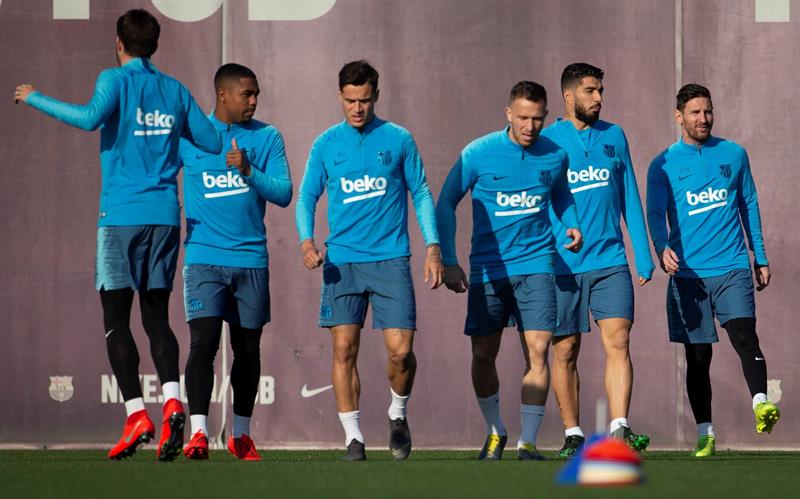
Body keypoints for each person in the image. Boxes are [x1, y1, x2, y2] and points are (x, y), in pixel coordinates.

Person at [14, 9, 221, 461]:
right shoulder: (175, 89)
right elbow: (210, 141)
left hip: (121, 216)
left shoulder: (114, 79)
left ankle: (135, 415)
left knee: (115, 319)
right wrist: (166, 134)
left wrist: (34, 97)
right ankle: (171, 404)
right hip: (164, 217)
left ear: (119, 43)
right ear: (156, 45)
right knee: (156, 318)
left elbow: (90, 119)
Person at [295, 60, 443, 461]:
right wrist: (306, 241)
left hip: (391, 259)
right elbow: (307, 196)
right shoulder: (326, 143)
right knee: (344, 349)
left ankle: (397, 414)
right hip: (342, 262)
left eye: (363, 100)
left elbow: (423, 194)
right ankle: (353, 439)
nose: (357, 108)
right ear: (340, 97)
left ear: (376, 95)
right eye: (349, 100)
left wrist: (433, 246)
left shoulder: (398, 139)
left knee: (400, 351)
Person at [436, 81, 583, 461]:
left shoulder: (555, 155)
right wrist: (449, 259)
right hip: (487, 270)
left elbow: (562, 195)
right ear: (508, 114)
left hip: (536, 265)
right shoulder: (478, 153)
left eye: (537, 119)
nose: (530, 126)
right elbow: (446, 202)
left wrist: (572, 222)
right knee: (483, 354)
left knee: (538, 351)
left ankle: (528, 442)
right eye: (522, 118)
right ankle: (495, 430)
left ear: (547, 116)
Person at [646, 83, 779, 457]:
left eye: (708, 111)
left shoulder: (734, 155)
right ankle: (706, 433)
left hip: (733, 265)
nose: (703, 118)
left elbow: (748, 204)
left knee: (744, 335)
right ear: (679, 117)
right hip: (688, 275)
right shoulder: (663, 165)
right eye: (695, 112)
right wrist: (661, 247)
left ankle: (760, 404)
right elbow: (655, 213)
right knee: (698, 356)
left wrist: (760, 256)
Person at [178, 64, 292, 461]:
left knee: (248, 351)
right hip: (204, 259)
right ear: (223, 95)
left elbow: (283, 193)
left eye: (257, 93)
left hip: (251, 260)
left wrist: (247, 169)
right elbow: (156, 171)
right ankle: (197, 434)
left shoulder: (267, 136)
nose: (254, 100)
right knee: (203, 344)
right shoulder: (190, 137)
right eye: (247, 94)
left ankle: (240, 435)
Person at [541, 63, 654, 457]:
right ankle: (572, 433)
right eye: (590, 91)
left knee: (619, 341)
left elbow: (630, 198)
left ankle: (619, 428)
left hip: (611, 260)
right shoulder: (547, 140)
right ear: (569, 97)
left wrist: (643, 255)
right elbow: (538, 204)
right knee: (565, 350)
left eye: (601, 90)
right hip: (562, 266)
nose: (599, 98)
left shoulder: (615, 136)